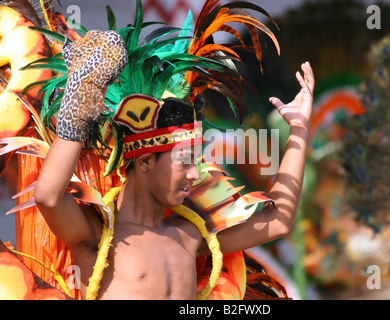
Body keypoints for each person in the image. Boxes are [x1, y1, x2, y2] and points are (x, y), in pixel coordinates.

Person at [33, 60, 314, 300]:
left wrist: (299, 129)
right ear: (144, 162)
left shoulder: (190, 234)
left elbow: (279, 220)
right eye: (184, 161)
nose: (195, 173)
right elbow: (48, 196)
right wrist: (80, 101)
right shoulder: (96, 234)